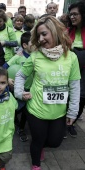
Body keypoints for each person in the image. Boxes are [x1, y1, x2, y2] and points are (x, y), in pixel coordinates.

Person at [14, 16, 81, 170]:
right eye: (38, 36)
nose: (41, 39)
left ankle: (42, 146)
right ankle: (36, 165)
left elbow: (75, 86)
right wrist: (19, 92)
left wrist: (72, 112)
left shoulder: (71, 57)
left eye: (44, 34)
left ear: (55, 31)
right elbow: (20, 75)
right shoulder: (36, 56)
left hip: (59, 111)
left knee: (55, 142)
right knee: (37, 141)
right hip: (36, 109)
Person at [3, 32, 33, 142]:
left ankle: (21, 128)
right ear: (25, 46)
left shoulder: (36, 57)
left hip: (30, 89)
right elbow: (3, 68)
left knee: (26, 111)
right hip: (16, 89)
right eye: (33, 43)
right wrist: (7, 79)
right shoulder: (17, 57)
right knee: (16, 108)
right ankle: (13, 119)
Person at [67, 1, 85, 137]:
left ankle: (71, 123)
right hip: (71, 69)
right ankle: (65, 120)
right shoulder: (68, 31)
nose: (72, 17)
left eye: (75, 14)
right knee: (69, 96)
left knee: (82, 97)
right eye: (71, 14)